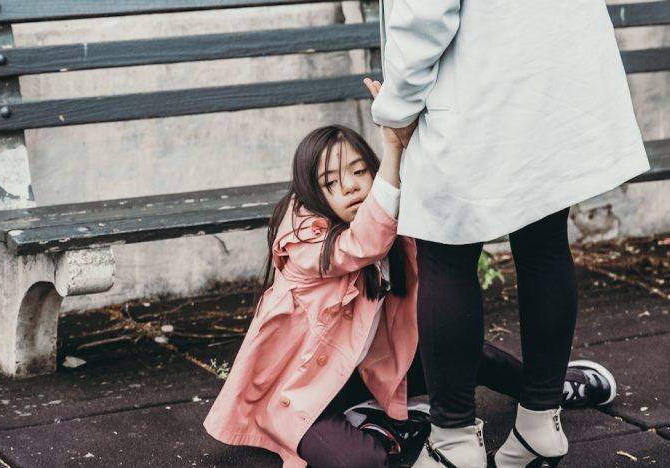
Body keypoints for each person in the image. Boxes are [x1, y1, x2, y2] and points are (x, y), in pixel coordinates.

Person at [203, 95, 618, 467]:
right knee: (360, 462)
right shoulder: (306, 243)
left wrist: (415, 129)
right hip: (302, 395)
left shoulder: (391, 224)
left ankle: (548, 390)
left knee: (468, 354)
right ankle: (382, 423)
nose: (349, 187)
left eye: (358, 171)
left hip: (366, 371)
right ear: (313, 195)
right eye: (330, 183)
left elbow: (427, 231)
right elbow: (361, 243)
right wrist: (392, 145)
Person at [368, 1, 651, 467]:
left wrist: (396, 107)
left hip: (478, 78)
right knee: (543, 243)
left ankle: (453, 443)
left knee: (445, 252)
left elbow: (425, 13)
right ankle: (541, 422)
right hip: (548, 71)